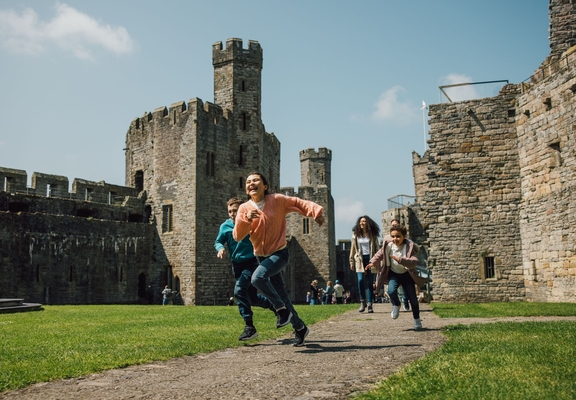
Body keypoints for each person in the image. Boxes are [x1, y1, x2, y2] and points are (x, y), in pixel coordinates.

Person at [233, 172, 324, 347]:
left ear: (265, 186)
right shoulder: (244, 209)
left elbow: (299, 203)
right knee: (282, 295)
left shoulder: (277, 200)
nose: (251, 183)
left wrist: (316, 212)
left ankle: (281, 311)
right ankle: (300, 328)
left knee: (257, 278)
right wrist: (246, 220)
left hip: (279, 254)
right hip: (261, 256)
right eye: (248, 181)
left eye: (256, 180)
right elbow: (237, 236)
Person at [215, 197, 275, 341]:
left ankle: (249, 327)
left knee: (239, 290)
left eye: (235, 210)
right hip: (237, 265)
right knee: (252, 298)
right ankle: (277, 306)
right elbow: (218, 241)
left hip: (252, 263)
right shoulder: (225, 226)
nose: (232, 214)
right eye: (230, 211)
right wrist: (220, 248)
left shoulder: (251, 223)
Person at [367, 223, 428, 331]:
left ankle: (417, 320)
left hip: (407, 275)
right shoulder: (388, 246)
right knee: (390, 291)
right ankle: (396, 304)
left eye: (398, 236)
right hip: (394, 274)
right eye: (393, 236)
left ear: (404, 236)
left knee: (413, 299)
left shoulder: (409, 246)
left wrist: (400, 260)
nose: (395, 239)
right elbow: (379, 254)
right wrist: (373, 262)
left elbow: (414, 262)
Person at [349, 215, 381, 313]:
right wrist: (351, 261)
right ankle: (363, 302)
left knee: (370, 283)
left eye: (364, 221)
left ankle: (370, 304)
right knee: (360, 280)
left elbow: (377, 248)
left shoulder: (373, 235)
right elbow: (353, 249)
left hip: (370, 259)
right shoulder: (355, 235)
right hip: (359, 260)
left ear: (368, 223)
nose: (362, 223)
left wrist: (377, 260)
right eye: (361, 221)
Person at [384, 219, 410, 311]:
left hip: (405, 269)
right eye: (392, 225)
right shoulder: (387, 238)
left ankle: (405, 302)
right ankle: (396, 303)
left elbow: (412, 248)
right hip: (393, 268)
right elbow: (382, 252)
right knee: (391, 289)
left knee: (405, 288)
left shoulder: (405, 239)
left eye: (395, 224)